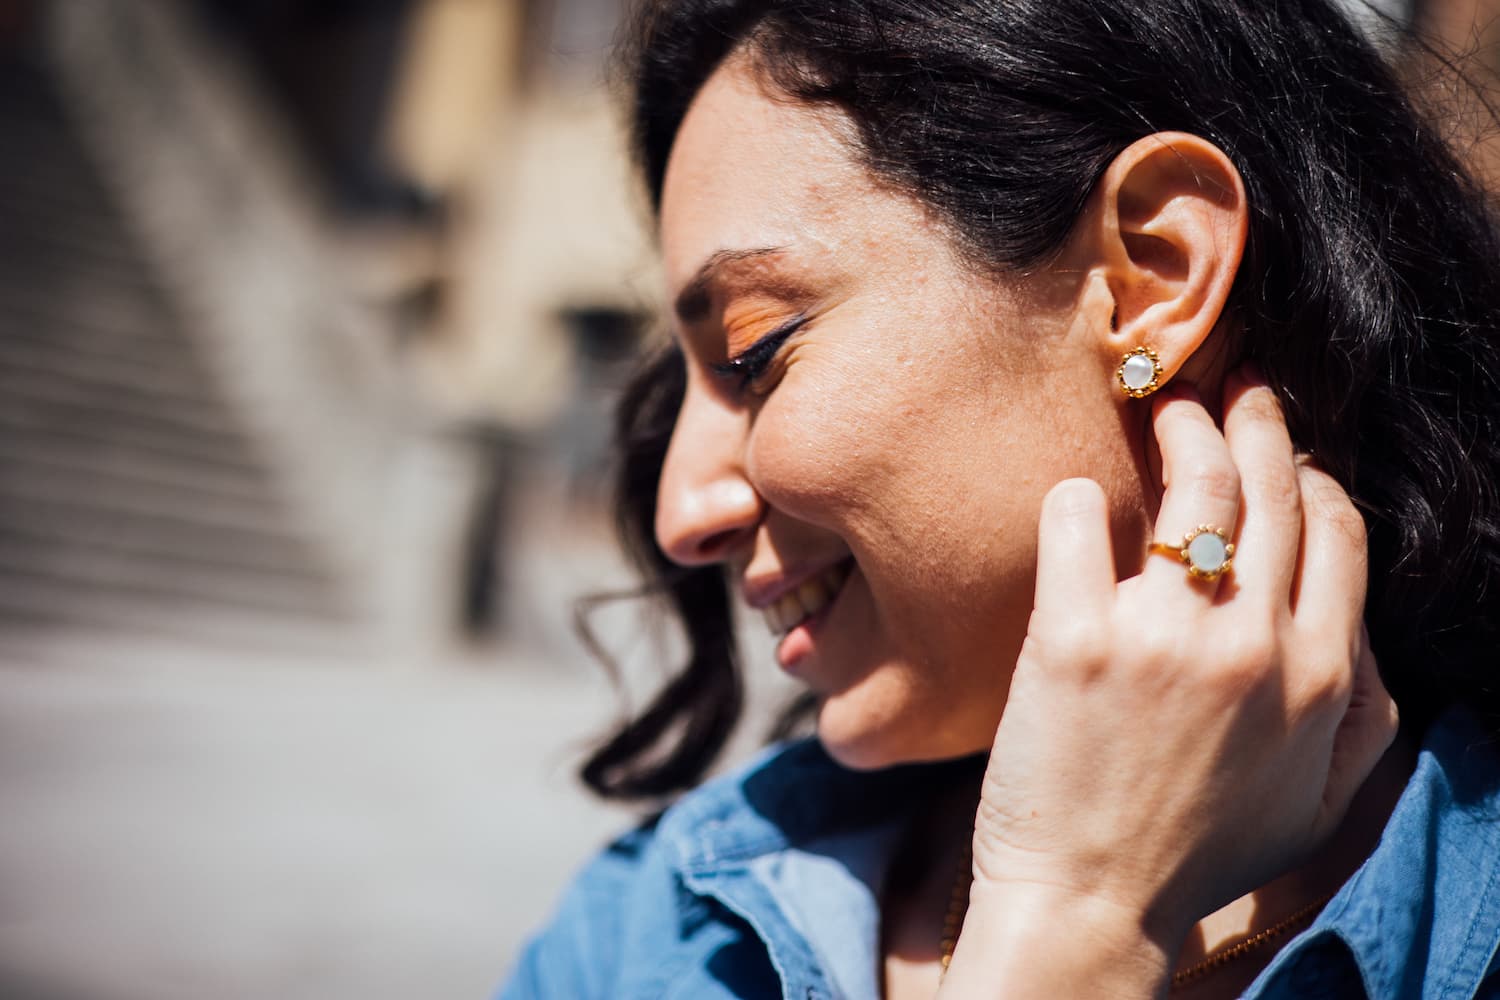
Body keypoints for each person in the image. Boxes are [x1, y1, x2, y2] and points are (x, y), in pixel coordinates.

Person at [501, 0, 1500, 996]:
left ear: (1152, 276)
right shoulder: (646, 935)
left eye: (755, 354)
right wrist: (1072, 928)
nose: (684, 512)